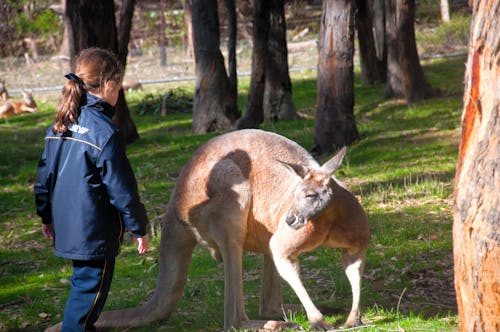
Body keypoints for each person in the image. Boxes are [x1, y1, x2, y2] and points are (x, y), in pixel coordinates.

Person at [34, 47, 149, 332]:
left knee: (82, 288)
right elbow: (122, 190)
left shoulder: (60, 124)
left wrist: (46, 216)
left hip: (68, 225)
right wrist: (139, 228)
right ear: (109, 85)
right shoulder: (105, 133)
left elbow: (43, 178)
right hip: (93, 233)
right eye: (119, 87)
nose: (118, 93)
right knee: (86, 300)